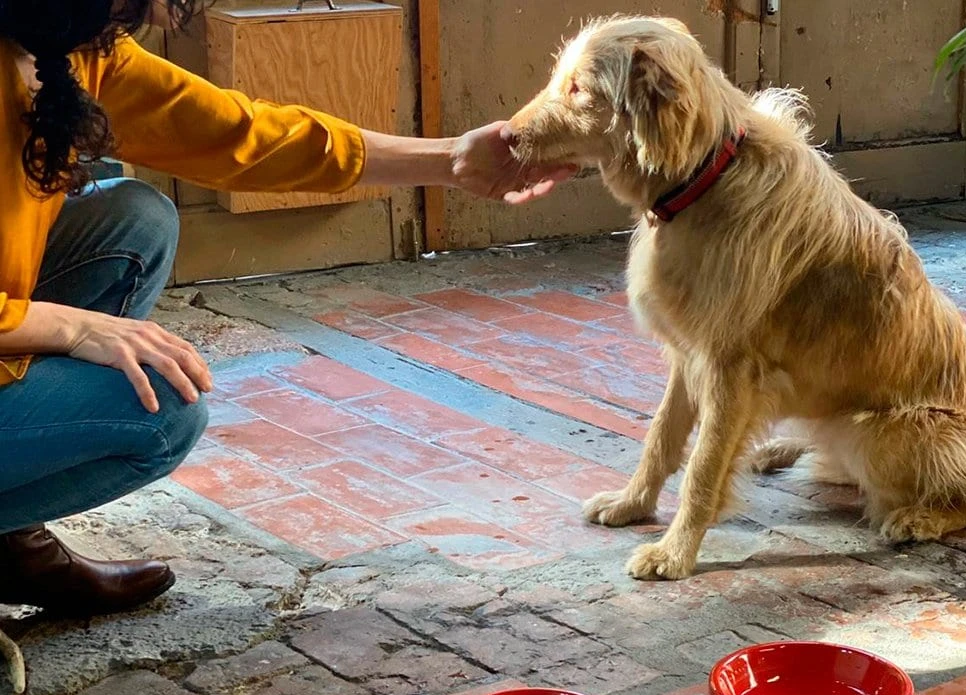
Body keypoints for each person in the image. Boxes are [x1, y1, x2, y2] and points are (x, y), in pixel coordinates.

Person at [0, 0, 573, 618]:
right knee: (160, 416)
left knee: (133, 223)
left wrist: (450, 160)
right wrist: (69, 326)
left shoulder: (76, 41)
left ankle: (10, 547)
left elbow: (238, 135)